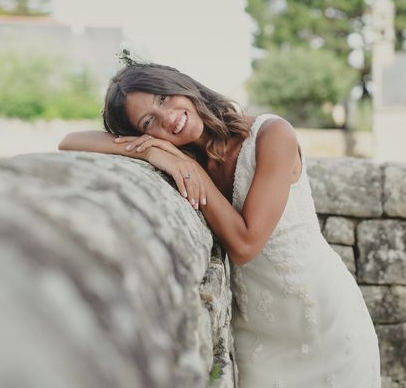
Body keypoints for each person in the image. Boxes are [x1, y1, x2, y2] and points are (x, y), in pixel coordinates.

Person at [59, 56, 381, 388]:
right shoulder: (185, 154)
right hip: (258, 330)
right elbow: (69, 142)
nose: (168, 118)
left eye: (163, 98)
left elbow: (245, 244)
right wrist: (149, 152)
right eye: (147, 123)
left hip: (325, 316)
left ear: (181, 85)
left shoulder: (273, 134)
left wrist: (193, 171)